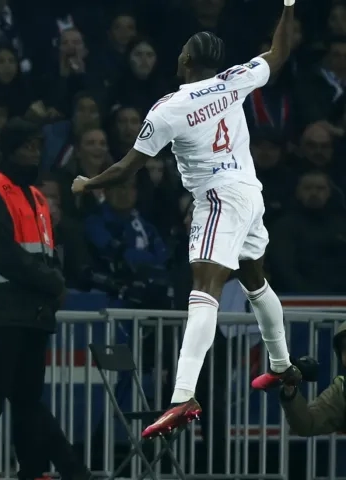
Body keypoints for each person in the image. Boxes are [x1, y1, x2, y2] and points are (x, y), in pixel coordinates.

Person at [71, 0, 300, 439]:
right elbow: (279, 52)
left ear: (187, 59)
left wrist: (88, 183)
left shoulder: (169, 107)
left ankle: (181, 396)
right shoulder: (236, 80)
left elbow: (127, 168)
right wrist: (288, 7)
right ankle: (282, 365)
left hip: (217, 198)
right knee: (255, 280)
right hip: (252, 195)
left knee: (203, 289)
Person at [0, 118, 73, 480]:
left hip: (33, 310)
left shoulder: (37, 194)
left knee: (27, 398)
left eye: (37, 147)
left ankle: (34, 470)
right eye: (26, 147)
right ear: (9, 150)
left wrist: (53, 281)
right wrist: (52, 281)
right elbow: (1, 252)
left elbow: (46, 249)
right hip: (1, 307)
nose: (33, 154)